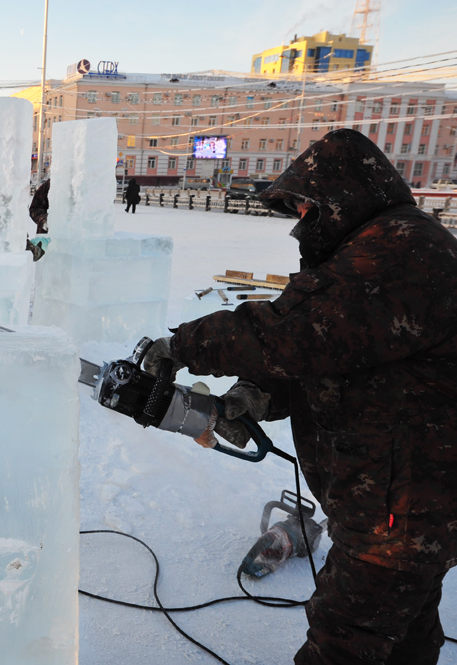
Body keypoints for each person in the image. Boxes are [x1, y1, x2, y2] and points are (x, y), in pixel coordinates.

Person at [141, 129, 457, 664]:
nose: (302, 223)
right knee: (403, 636)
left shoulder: (400, 251)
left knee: (342, 642)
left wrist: (184, 345)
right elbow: (342, 353)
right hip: (402, 505)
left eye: (308, 207)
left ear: (344, 197)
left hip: (402, 512)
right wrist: (258, 396)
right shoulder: (384, 247)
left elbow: (294, 333)